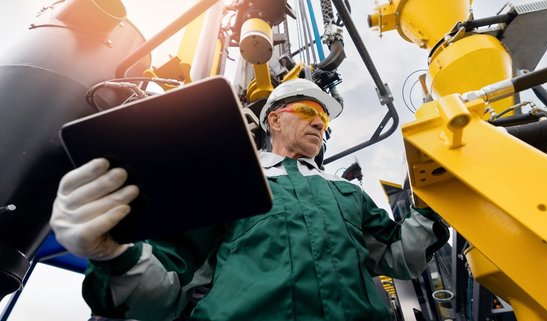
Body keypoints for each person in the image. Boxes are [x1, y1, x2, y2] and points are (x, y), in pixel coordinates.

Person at [50, 78, 450, 321]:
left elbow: (401, 255)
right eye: (309, 110)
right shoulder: (228, 177)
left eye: (324, 120)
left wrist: (432, 195)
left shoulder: (346, 191)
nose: (318, 122)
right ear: (274, 119)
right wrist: (116, 254)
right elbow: (166, 294)